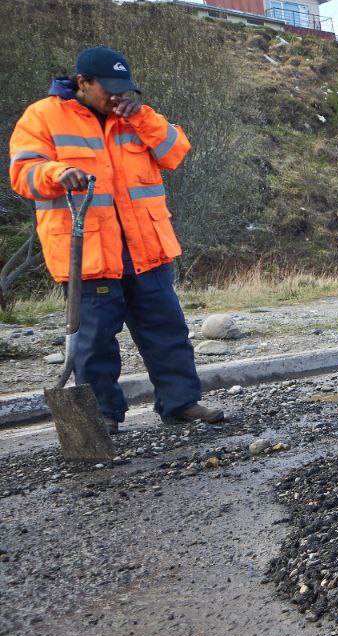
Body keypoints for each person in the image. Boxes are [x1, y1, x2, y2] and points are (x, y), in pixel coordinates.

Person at [8, 46, 223, 433]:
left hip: (147, 249)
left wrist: (141, 117)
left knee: (167, 331)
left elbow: (176, 152)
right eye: (109, 89)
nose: (117, 97)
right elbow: (23, 174)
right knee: (94, 344)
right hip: (88, 254)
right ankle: (103, 415)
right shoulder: (42, 116)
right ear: (83, 83)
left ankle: (180, 403)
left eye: (123, 89)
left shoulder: (137, 118)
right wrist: (56, 173)